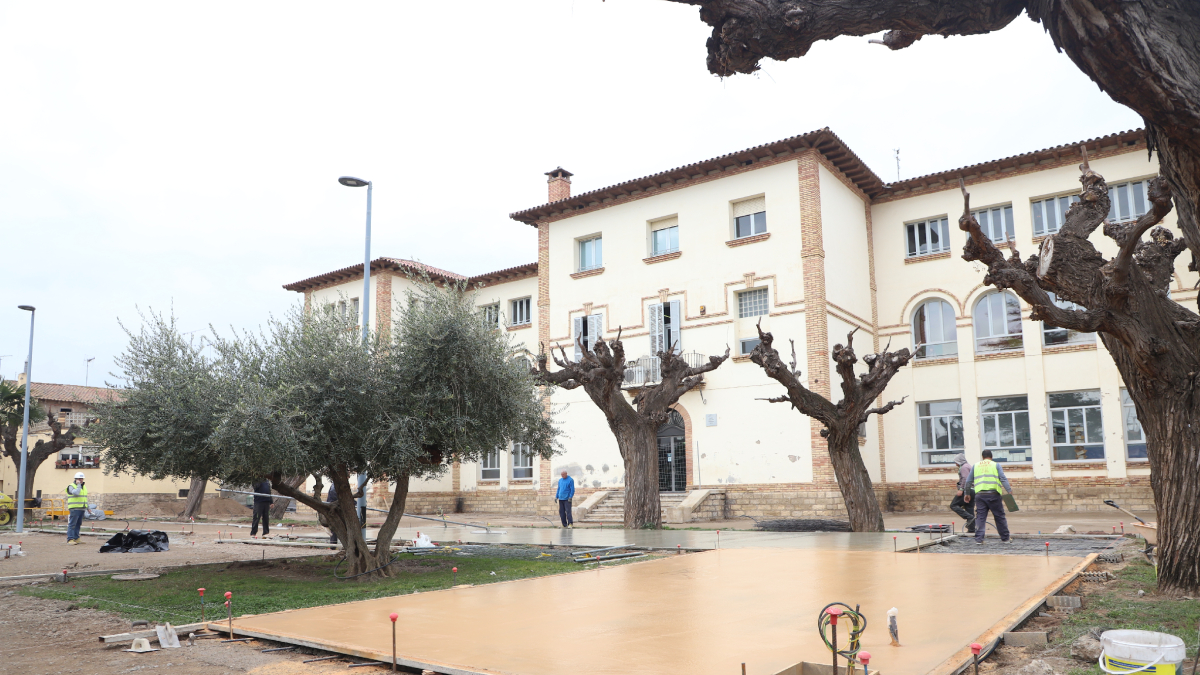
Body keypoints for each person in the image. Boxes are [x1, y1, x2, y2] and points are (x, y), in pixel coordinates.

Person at [964, 450, 1013, 543]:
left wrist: (967, 494)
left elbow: (968, 481)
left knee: (980, 517)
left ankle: (979, 540)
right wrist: (1009, 490)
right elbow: (1003, 478)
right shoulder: (996, 465)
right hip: (994, 495)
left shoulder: (976, 465)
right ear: (991, 457)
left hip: (980, 495)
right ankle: (1005, 538)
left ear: (982, 457)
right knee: (999, 516)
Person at [949, 453, 975, 533]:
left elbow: (966, 479)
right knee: (969, 508)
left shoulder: (964, 467)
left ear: (959, 461)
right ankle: (972, 530)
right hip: (973, 490)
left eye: (956, 462)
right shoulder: (968, 466)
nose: (955, 464)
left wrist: (961, 489)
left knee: (953, 505)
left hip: (967, 490)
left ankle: (969, 517)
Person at [65, 472, 87, 545]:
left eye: (82, 479)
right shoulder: (71, 486)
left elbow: (84, 498)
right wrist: (78, 485)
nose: (81, 480)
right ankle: (70, 539)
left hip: (81, 508)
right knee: (72, 524)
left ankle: (76, 538)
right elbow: (76, 493)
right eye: (79, 479)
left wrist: (88, 507)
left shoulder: (83, 487)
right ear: (76, 479)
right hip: (74, 508)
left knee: (78, 524)